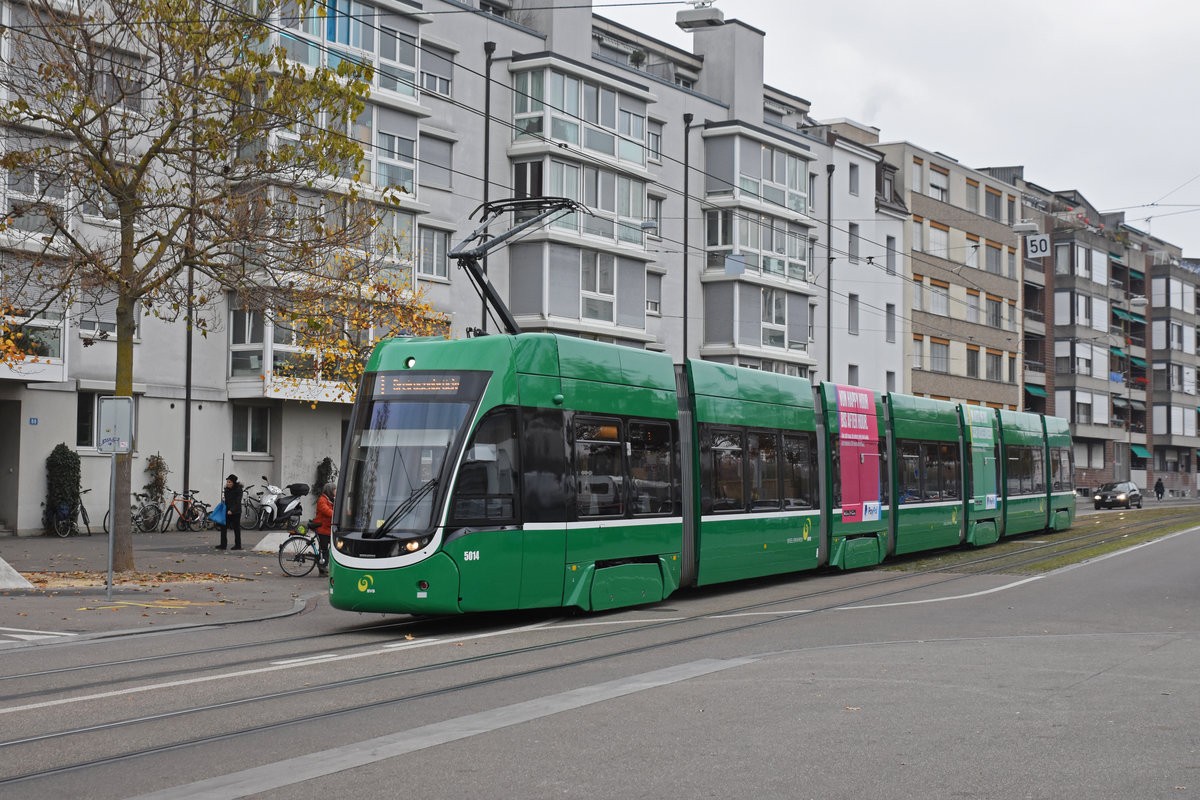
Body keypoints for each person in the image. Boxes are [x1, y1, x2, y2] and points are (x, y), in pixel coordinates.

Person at [313, 482, 334, 575]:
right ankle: (322, 568)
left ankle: (323, 565)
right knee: (324, 548)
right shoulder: (322, 500)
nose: (336, 491)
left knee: (329, 548)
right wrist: (336, 515)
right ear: (329, 491)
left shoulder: (331, 499)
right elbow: (326, 511)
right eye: (334, 489)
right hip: (322, 529)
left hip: (328, 528)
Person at [217, 474, 244, 550]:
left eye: (229, 482)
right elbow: (228, 499)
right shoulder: (227, 489)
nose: (228, 483)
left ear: (233, 483)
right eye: (227, 482)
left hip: (236, 511)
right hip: (227, 510)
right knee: (223, 527)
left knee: (236, 528)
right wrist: (224, 500)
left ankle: (238, 545)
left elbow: (237, 501)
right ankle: (223, 545)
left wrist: (232, 510)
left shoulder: (238, 489)